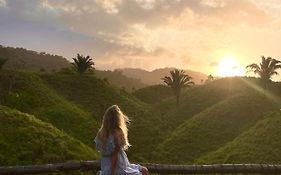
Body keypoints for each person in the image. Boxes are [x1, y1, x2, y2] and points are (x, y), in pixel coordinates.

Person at [94, 105, 149, 175]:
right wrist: (113, 173)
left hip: (106, 166)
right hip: (119, 166)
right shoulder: (117, 132)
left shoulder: (101, 133)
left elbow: (103, 153)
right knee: (143, 171)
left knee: (143, 169)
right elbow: (115, 156)